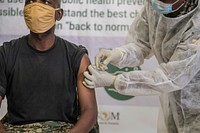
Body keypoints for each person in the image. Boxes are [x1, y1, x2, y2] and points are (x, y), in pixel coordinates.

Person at [83, 0, 200, 132]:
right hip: (171, 104)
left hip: (196, 108)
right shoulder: (153, 6)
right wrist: (119, 54)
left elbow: (171, 77)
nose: (158, 3)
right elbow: (141, 44)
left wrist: (115, 81)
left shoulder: (197, 25)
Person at [0, 0, 98, 132]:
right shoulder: (5, 54)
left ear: (59, 14)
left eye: (46, 2)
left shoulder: (77, 57)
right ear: (24, 10)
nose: (36, 7)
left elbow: (89, 111)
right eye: (31, 1)